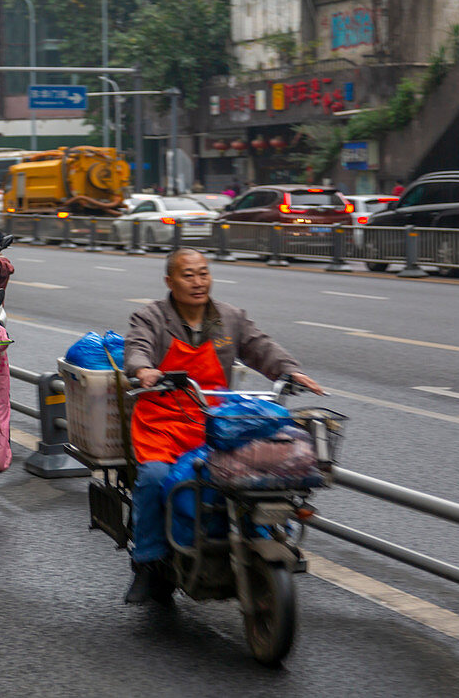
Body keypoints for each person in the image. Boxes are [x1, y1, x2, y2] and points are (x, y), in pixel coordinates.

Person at [122, 248, 323, 604]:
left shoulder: (229, 318)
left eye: (203, 273)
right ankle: (149, 564)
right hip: (162, 424)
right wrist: (144, 370)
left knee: (258, 476)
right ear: (170, 281)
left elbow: (261, 347)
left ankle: (261, 535)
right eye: (188, 275)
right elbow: (137, 349)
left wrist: (291, 372)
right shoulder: (151, 316)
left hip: (216, 424)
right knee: (154, 479)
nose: (198, 282)